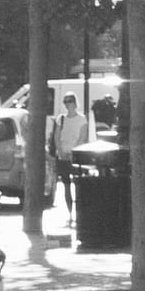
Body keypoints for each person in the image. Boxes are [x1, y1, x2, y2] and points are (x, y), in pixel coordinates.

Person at [48, 90, 89, 220]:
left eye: (69, 101)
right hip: (63, 155)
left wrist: (73, 152)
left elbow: (82, 138)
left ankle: (78, 212)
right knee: (66, 186)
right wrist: (60, 151)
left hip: (76, 156)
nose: (67, 104)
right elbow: (57, 137)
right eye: (65, 101)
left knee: (77, 185)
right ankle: (70, 213)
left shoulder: (82, 119)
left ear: (75, 103)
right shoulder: (61, 118)